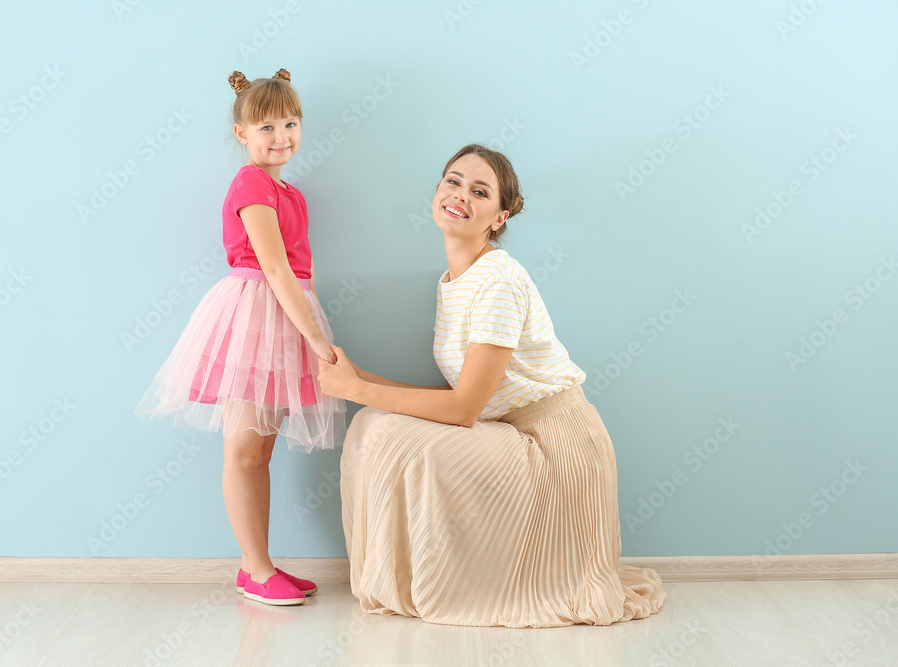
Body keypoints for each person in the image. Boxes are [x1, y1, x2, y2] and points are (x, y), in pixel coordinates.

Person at [317, 144, 666, 627]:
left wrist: (357, 389)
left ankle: (420, 586)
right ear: (438, 190)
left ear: (498, 218)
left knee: (385, 431)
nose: (460, 195)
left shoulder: (497, 280)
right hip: (508, 430)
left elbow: (463, 409)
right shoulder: (455, 280)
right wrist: (356, 378)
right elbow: (464, 399)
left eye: (479, 192)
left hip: (557, 447)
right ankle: (396, 581)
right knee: (371, 423)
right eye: (453, 181)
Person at [136, 68, 345, 606]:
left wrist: (315, 332)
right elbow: (274, 269)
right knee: (244, 452)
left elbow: (303, 271)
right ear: (242, 134)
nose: (281, 137)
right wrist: (318, 342)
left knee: (260, 454)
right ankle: (252, 568)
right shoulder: (252, 183)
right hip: (256, 314)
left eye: (291, 124)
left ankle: (262, 564)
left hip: (286, 318)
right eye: (267, 127)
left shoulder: (289, 191)